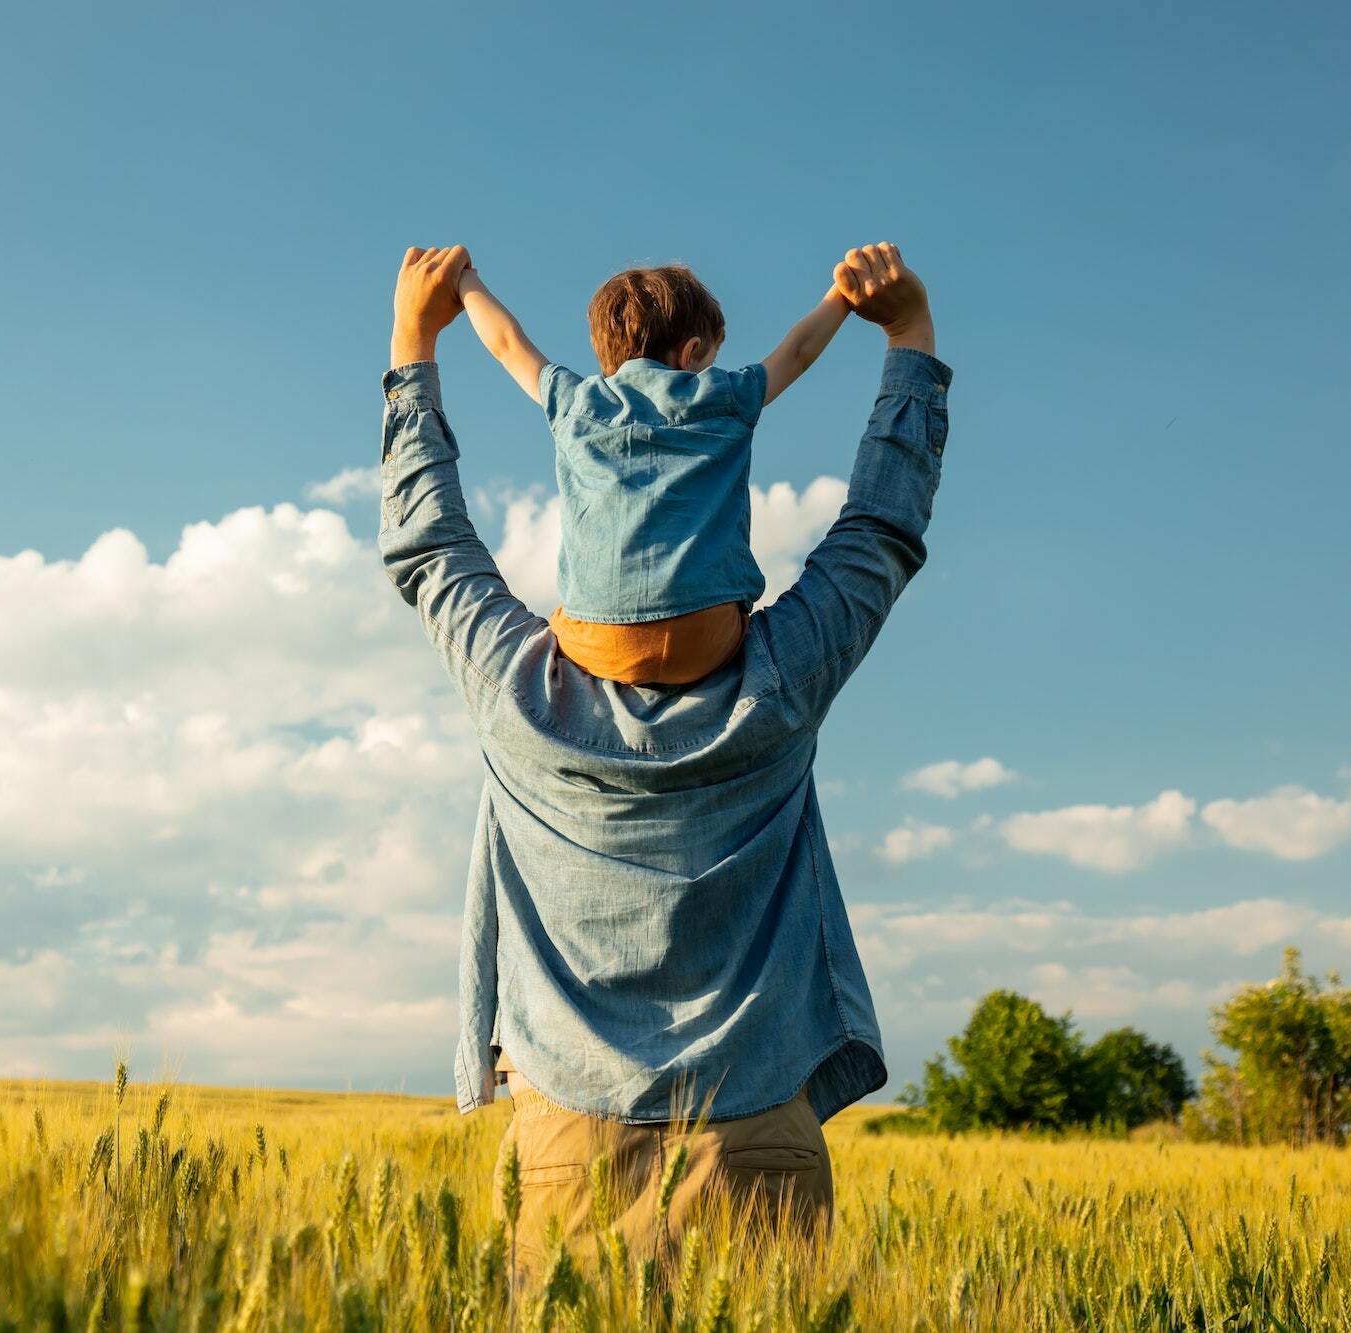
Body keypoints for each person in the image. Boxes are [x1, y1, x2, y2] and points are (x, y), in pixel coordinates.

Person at [378, 242, 950, 1271]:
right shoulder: (779, 683)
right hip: (758, 1141)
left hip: (563, 1157)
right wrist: (905, 337)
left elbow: (428, 546)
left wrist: (414, 342)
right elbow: (878, 529)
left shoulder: (518, 697)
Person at [456, 260, 852, 685]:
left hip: (600, 644)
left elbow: (506, 343)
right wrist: (842, 296)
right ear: (691, 351)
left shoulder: (574, 402)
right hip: (707, 639)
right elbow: (798, 351)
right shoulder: (725, 395)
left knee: (556, 620)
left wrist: (464, 281)